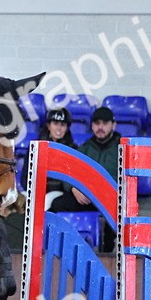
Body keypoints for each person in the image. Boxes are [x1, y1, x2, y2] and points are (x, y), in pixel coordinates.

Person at [50, 105, 120, 250]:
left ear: (113, 125)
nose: (100, 127)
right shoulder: (84, 148)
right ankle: (52, 246)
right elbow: (69, 174)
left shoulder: (122, 148)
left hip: (110, 198)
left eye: (105, 123)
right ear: (92, 126)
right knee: (56, 205)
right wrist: (74, 188)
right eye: (97, 123)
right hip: (86, 197)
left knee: (115, 211)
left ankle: (107, 254)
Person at [37, 107, 76, 209]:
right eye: (55, 123)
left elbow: (70, 180)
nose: (59, 128)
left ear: (67, 128)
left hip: (60, 193)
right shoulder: (36, 147)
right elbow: (26, 175)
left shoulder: (73, 150)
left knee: (47, 201)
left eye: (62, 125)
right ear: (48, 125)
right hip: (36, 190)